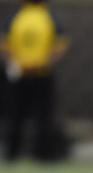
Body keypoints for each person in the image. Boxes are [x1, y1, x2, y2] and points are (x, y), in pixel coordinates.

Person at [1, 0, 69, 161]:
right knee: (41, 115)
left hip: (23, 72)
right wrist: (42, 63)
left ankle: (13, 152)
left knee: (18, 114)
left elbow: (4, 47)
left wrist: (17, 64)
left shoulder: (16, 17)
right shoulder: (49, 16)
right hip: (40, 73)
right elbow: (61, 47)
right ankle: (42, 153)